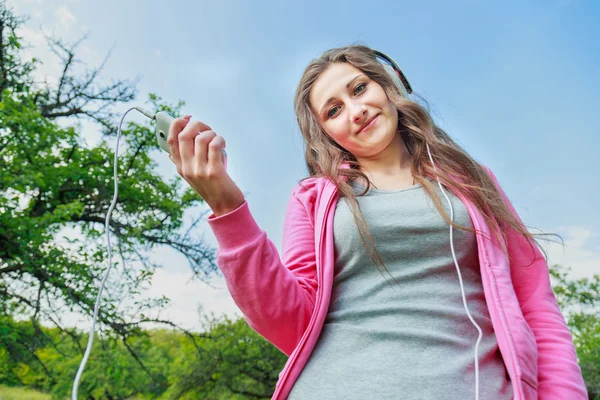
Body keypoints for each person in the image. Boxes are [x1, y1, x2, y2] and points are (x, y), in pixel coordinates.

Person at [166, 45, 588, 399]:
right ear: (327, 133)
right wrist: (227, 207)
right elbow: (289, 322)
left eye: (359, 88)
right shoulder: (314, 199)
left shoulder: (472, 180)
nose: (355, 110)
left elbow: (536, 304)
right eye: (334, 110)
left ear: (388, 86)